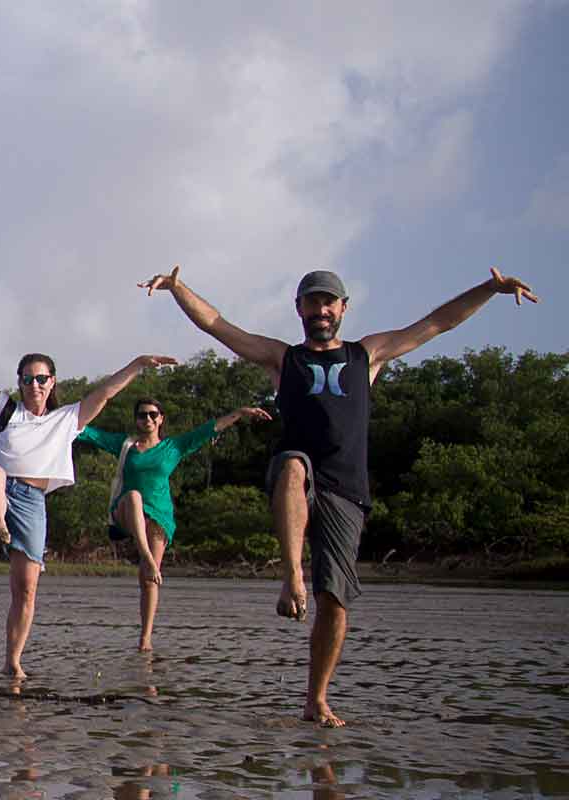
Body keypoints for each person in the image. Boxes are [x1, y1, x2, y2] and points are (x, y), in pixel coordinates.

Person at [140, 264, 540, 726]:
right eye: (312, 302)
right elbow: (218, 325)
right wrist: (175, 287)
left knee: (336, 599)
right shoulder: (283, 359)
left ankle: (316, 698)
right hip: (301, 473)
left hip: (347, 489)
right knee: (291, 463)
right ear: (299, 309)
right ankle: (292, 575)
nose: (321, 309)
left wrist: (489, 288)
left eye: (329, 301)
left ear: (343, 308)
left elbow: (436, 322)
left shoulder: (365, 354)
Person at [0, 326, 174, 678]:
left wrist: (139, 364)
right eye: (27, 379)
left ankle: (12, 660)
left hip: (33, 502)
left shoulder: (67, 419)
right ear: (19, 383)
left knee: (27, 589)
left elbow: (106, 392)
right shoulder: (6, 411)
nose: (34, 385)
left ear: (52, 382)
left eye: (41, 378)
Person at [78, 398, 270, 651]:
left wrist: (240, 411)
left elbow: (209, 429)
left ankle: (145, 639)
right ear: (135, 419)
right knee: (134, 496)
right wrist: (54, 416)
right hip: (127, 511)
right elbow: (87, 433)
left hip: (158, 516)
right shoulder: (125, 445)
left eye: (152, 414)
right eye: (141, 415)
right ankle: (145, 555)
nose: (147, 419)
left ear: (161, 418)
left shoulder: (172, 447)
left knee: (149, 580)